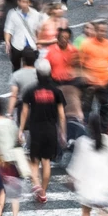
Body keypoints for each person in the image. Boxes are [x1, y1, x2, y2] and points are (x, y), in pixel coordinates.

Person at [19, 60, 66, 203]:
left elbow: (24, 112)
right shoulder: (56, 91)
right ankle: (43, 192)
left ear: (37, 74)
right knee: (46, 162)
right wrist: (62, 132)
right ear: (49, 73)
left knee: (34, 161)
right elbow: (62, 115)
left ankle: (36, 185)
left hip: (36, 130)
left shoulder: (31, 90)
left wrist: (20, 129)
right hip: (51, 130)